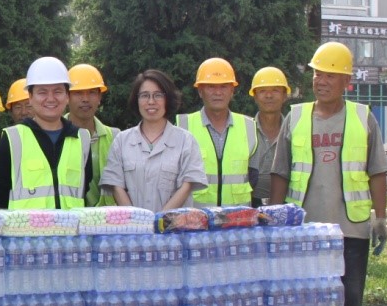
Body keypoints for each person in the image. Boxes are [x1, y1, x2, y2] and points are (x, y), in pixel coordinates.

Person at [269, 42, 387, 306]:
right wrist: (274, 218)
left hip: (350, 228)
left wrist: (380, 217)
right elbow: (280, 172)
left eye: (330, 76)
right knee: (303, 298)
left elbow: (377, 171)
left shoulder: (363, 117)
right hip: (304, 228)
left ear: (346, 81)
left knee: (348, 299)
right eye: (317, 74)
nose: (321, 81)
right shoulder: (296, 117)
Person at [0, 57, 93, 210]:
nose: (50, 99)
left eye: (58, 91)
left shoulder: (82, 139)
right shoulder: (12, 139)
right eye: (42, 92)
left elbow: (84, 187)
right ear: (30, 97)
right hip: (25, 225)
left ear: (67, 96)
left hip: (70, 225)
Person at [101, 70, 207, 211]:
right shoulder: (122, 141)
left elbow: (187, 185)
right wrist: (137, 219)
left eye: (158, 95)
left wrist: (160, 219)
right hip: (133, 224)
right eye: (144, 95)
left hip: (173, 224)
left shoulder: (186, 141)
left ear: (167, 99)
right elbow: (116, 185)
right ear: (136, 100)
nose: (151, 102)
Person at [177, 57, 258, 207]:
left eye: (224, 87)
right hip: (197, 218)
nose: (218, 92)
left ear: (232, 91)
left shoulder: (249, 126)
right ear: (200, 91)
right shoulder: (183, 126)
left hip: (238, 218)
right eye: (211, 87)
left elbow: (254, 176)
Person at [67, 63, 116, 206]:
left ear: (99, 97)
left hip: (106, 217)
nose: (85, 99)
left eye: (92, 92)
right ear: (66, 97)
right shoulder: (54, 135)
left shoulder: (115, 137)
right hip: (67, 217)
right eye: (78, 93)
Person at [248, 66, 292, 207]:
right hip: (249, 206)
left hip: (286, 205)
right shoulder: (245, 130)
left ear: (285, 95)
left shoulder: (294, 131)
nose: (269, 96)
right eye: (262, 91)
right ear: (255, 96)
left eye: (275, 90)